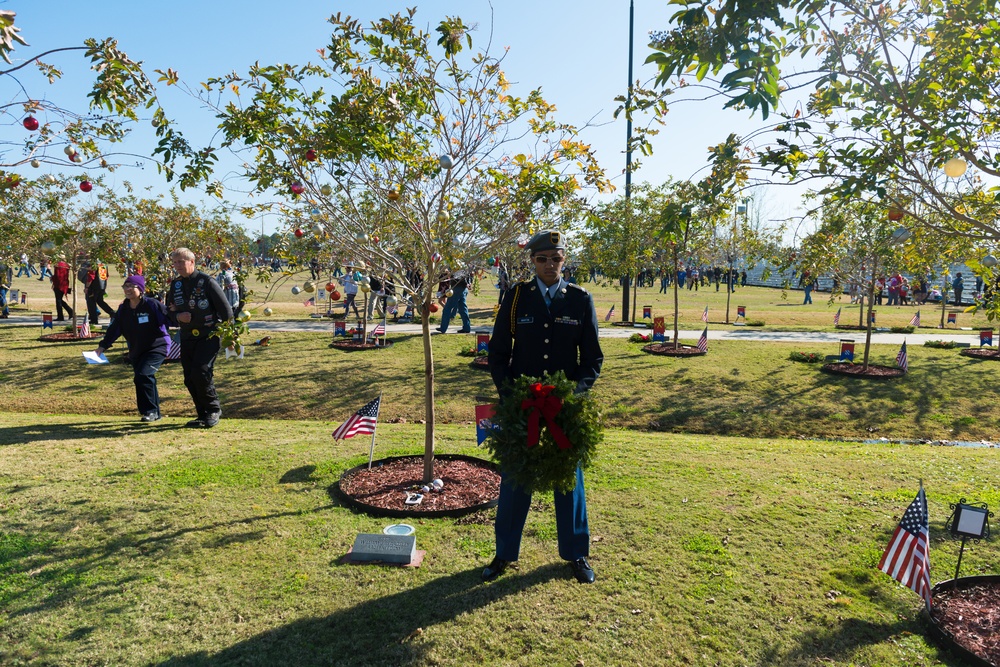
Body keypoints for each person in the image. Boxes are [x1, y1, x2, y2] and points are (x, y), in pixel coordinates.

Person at [485, 229, 604, 585]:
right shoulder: (517, 298)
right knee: (515, 481)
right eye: (542, 259)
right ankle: (504, 553)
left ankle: (576, 553)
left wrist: (572, 397)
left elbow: (592, 359)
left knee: (569, 483)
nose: (550, 264)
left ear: (564, 260)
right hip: (522, 409)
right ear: (532, 261)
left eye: (556, 258)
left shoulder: (581, 300)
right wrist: (512, 398)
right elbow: (498, 354)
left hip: (564, 411)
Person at [166, 247, 234, 428]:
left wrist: (229, 337)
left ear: (192, 262)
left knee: (201, 372)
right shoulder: (176, 284)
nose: (177, 266)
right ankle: (202, 414)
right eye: (175, 262)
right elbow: (169, 312)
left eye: (181, 262)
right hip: (187, 337)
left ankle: (213, 409)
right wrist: (178, 317)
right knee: (189, 377)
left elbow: (226, 312)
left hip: (209, 335)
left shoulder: (207, 282)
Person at [93, 275, 170, 422]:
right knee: (142, 378)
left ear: (140, 289)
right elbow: (115, 329)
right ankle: (153, 412)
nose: (127, 289)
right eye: (125, 286)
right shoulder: (124, 309)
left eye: (131, 286)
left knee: (143, 375)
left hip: (157, 347)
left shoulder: (152, 305)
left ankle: (150, 411)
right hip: (137, 349)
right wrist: (102, 346)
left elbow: (170, 318)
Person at [85, 260, 115, 327]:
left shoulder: (94, 265)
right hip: (101, 286)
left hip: (93, 287)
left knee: (91, 303)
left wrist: (87, 287)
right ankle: (112, 313)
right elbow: (106, 276)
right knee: (100, 301)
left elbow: (91, 277)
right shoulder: (103, 265)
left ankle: (94, 320)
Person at [51, 254, 74, 321]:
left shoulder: (58, 265)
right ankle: (70, 311)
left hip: (59, 285)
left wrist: (52, 278)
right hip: (65, 284)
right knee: (60, 300)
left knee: (58, 301)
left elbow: (57, 276)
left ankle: (61, 316)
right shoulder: (66, 265)